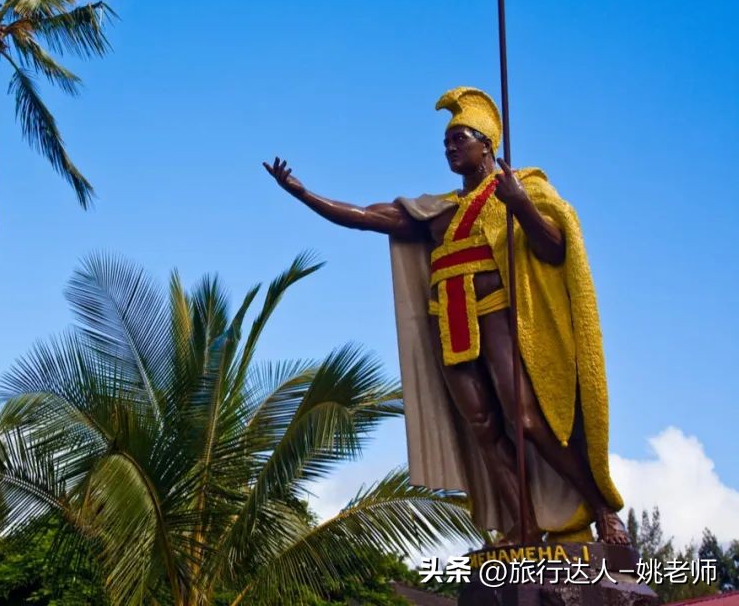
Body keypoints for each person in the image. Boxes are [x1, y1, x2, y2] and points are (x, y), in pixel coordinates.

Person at [263, 87, 628, 544]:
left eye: (460, 139)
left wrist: (521, 207)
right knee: (483, 427)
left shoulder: (521, 190)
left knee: (526, 420)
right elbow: (363, 217)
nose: (451, 148)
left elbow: (555, 248)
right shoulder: (436, 211)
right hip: (449, 325)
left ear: (487, 144)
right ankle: (524, 525)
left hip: (496, 315)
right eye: (447, 143)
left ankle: (600, 509)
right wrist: (303, 194)